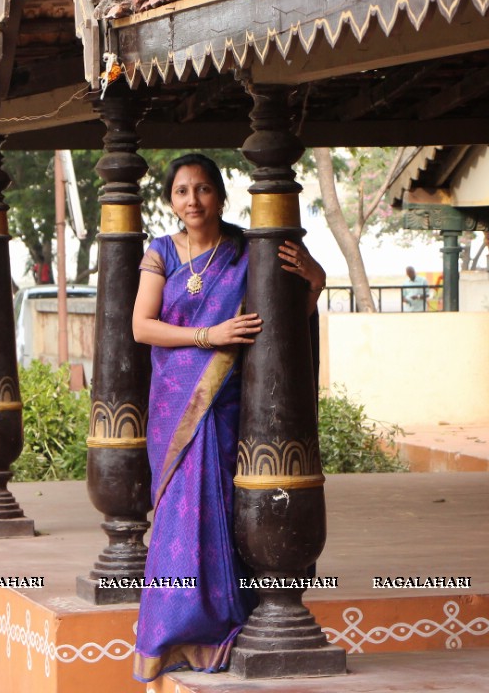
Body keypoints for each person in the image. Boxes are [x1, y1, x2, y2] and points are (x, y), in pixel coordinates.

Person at [130, 154, 325, 682]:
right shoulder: (161, 254)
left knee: (227, 507)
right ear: (171, 200)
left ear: (221, 195)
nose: (192, 201)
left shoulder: (247, 250)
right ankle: (173, 631)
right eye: (181, 191)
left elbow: (279, 321)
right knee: (180, 514)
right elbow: (142, 327)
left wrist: (315, 282)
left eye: (203, 190)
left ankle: (226, 622)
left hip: (234, 401)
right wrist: (206, 336)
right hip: (179, 404)